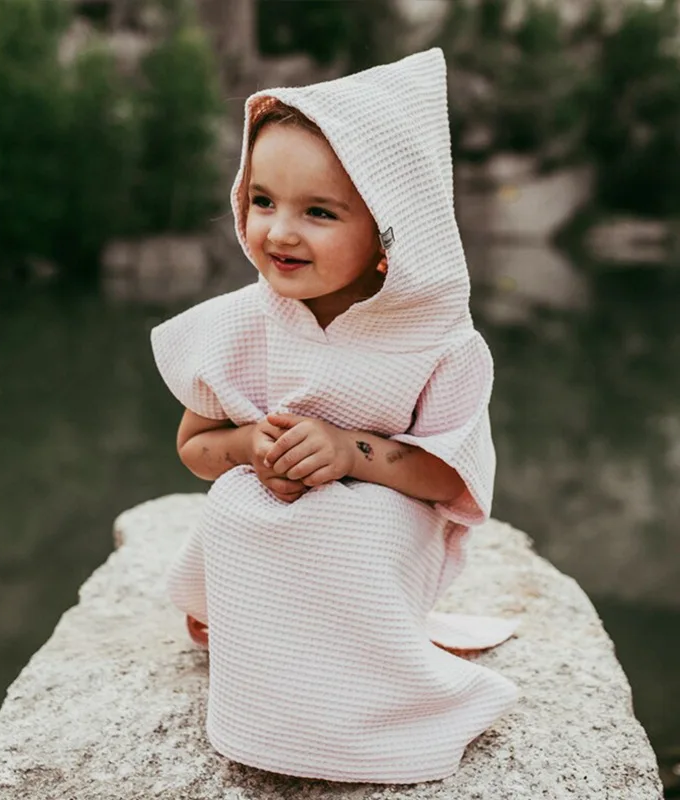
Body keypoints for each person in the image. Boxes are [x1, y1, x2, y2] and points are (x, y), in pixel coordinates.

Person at [150, 47, 519, 784]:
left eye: (318, 212)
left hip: (388, 518)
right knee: (232, 506)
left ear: (389, 232)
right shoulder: (237, 323)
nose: (279, 232)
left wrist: (351, 453)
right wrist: (252, 443)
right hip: (266, 509)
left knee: (349, 525)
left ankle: (366, 712)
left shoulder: (433, 339)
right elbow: (195, 446)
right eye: (262, 201)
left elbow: (448, 472)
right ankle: (263, 683)